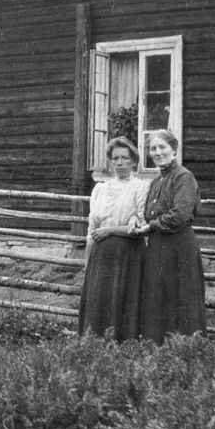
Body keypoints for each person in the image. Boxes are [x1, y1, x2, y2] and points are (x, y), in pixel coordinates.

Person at [134, 129, 207, 343]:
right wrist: (140, 222)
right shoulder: (156, 183)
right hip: (157, 246)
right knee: (158, 294)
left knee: (182, 294)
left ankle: (186, 348)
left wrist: (151, 226)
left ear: (174, 150)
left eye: (162, 147)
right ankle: (158, 348)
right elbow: (147, 214)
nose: (157, 152)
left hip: (179, 245)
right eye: (153, 148)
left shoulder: (183, 176)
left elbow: (180, 215)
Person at [78, 137, 149, 341]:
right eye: (115, 158)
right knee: (99, 298)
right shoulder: (101, 189)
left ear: (134, 161)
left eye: (125, 158)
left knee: (123, 300)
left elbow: (143, 227)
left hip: (128, 254)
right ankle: (96, 344)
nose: (119, 163)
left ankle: (124, 346)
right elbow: (93, 226)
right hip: (101, 254)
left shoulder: (141, 187)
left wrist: (110, 230)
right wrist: (88, 258)